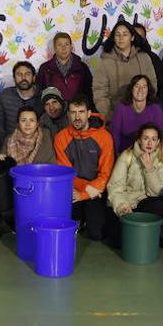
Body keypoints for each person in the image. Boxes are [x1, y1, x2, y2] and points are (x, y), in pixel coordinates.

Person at [54, 97, 115, 241]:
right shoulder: (61, 138)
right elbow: (66, 173)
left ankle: (88, 218)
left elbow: (106, 173)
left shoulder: (104, 137)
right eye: (73, 112)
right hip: (74, 190)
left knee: (96, 234)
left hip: (96, 191)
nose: (77, 117)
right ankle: (79, 217)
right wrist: (82, 192)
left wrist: (87, 193)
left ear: (89, 113)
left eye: (81, 112)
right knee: (65, 225)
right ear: (68, 114)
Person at [93, 20, 158, 121]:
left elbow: (152, 84)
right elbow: (99, 92)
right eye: (117, 35)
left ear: (132, 37)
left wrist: (145, 110)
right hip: (115, 117)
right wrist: (110, 116)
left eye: (125, 34)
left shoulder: (144, 58)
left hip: (143, 114)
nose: (121, 38)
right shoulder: (105, 62)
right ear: (113, 38)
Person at [107, 123, 163, 219]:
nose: (149, 143)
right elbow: (115, 187)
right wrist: (122, 206)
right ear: (139, 140)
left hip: (148, 203)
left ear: (158, 142)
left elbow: (157, 192)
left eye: (153, 139)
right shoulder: (127, 156)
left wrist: (149, 169)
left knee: (160, 206)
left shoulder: (162, 158)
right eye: (146, 138)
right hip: (127, 202)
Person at [110, 74, 163, 155]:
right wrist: (117, 156)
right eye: (137, 86)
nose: (140, 90)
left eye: (144, 87)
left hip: (149, 153)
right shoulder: (121, 108)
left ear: (148, 90)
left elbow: (159, 137)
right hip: (125, 153)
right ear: (131, 89)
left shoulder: (156, 109)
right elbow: (115, 136)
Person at [37, 31, 94, 106]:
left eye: (67, 44)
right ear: (54, 48)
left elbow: (89, 93)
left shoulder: (82, 67)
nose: (63, 48)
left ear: (71, 47)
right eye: (59, 45)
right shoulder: (45, 69)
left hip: (76, 112)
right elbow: (40, 94)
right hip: (53, 112)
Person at [0, 61, 41, 140]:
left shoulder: (42, 97)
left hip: (37, 145)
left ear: (34, 78)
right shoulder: (5, 96)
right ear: (14, 78)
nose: (23, 78)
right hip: (9, 144)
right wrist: (6, 146)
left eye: (27, 74)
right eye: (19, 74)